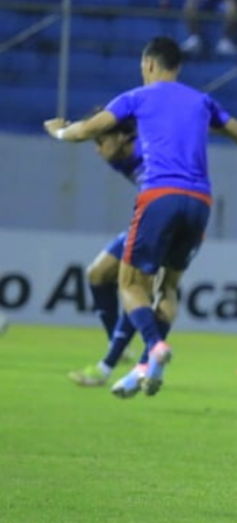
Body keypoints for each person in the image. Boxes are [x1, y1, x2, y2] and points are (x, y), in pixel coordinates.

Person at [43, 37, 237, 399]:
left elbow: (90, 128)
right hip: (200, 201)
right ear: (178, 68)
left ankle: (151, 346)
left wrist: (60, 132)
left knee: (130, 285)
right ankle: (142, 365)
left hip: (160, 197)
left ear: (148, 64)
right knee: (167, 288)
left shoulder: (137, 99)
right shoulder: (200, 101)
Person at [67, 118, 147, 388]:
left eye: (100, 141)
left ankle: (111, 363)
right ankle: (120, 346)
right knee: (97, 274)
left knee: (135, 288)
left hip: (167, 219)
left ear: (122, 137)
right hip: (148, 220)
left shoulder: (149, 148)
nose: (97, 149)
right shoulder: (120, 159)